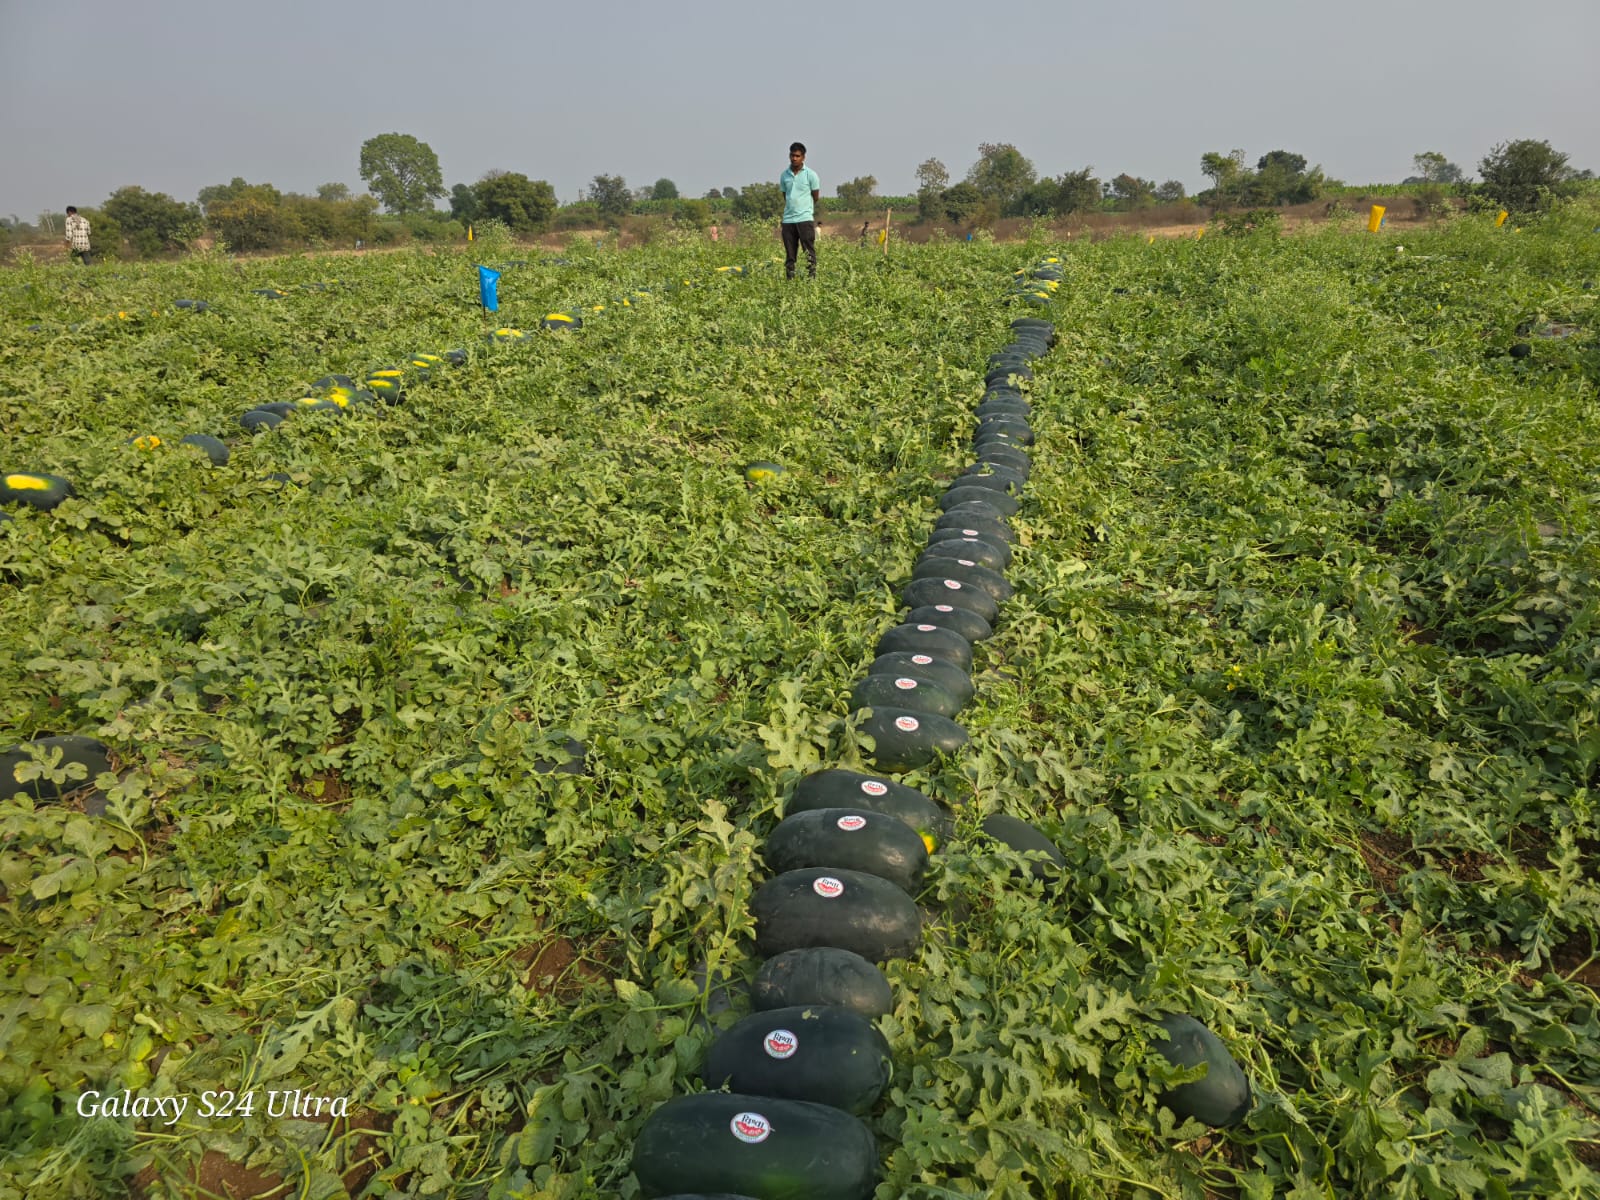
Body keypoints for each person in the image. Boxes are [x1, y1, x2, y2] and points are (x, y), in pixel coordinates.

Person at [779, 142, 820, 279]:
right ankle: (790, 283)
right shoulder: (784, 175)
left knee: (809, 254)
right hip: (788, 220)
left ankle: (811, 281)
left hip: (805, 219)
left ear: (803, 157)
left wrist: (804, 208)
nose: (794, 158)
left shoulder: (811, 175)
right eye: (792, 155)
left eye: (797, 156)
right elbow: (786, 196)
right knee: (790, 256)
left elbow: (815, 196)